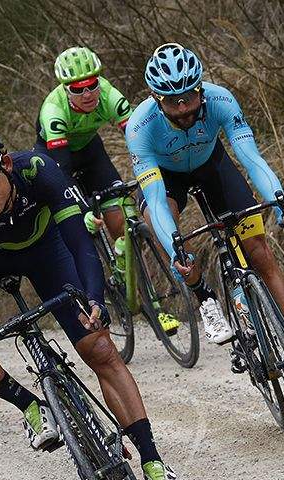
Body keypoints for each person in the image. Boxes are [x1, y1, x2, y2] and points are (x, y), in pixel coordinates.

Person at [0, 120, 181, 480]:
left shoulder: (38, 170)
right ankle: (30, 405)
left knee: (100, 349)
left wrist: (93, 298)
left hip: (47, 251)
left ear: (6, 164)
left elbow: (80, 243)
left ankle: (151, 460)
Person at [126, 43, 284, 402]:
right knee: (169, 233)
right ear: (156, 99)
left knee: (260, 253)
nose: (183, 108)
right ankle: (204, 297)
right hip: (165, 179)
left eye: (189, 97)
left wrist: (281, 203)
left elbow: (251, 159)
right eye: (172, 101)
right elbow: (157, 200)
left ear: (200, 89)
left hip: (212, 167)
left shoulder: (221, 101)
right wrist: (176, 246)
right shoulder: (140, 127)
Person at [35, 46, 180, 335]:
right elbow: (62, 174)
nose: (88, 94)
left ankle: (151, 302)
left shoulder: (110, 96)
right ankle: (96, 294)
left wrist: (158, 167)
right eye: (79, 89)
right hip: (57, 159)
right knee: (81, 223)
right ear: (66, 90)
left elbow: (139, 137)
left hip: (91, 154)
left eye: (92, 85)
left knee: (120, 218)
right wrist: (84, 209)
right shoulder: (53, 111)